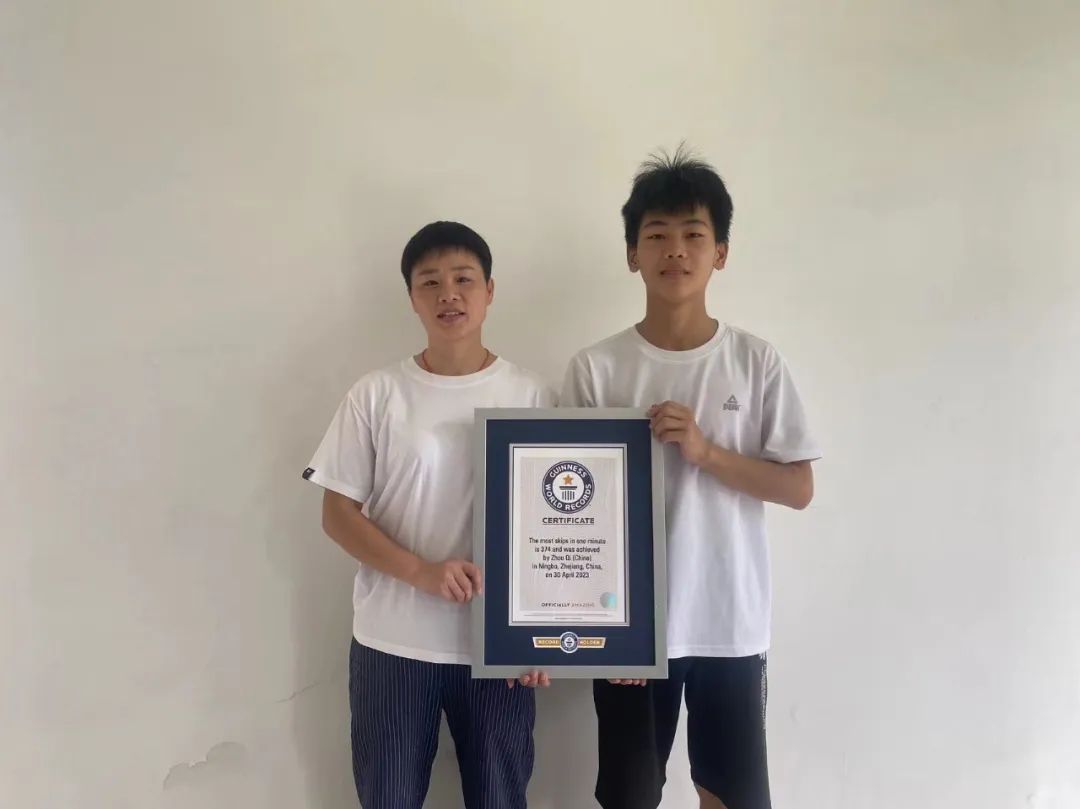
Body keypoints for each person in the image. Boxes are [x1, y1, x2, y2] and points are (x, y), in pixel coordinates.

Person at [561, 149, 821, 809]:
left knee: (733, 796)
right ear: (632, 253)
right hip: (630, 631)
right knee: (628, 797)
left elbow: (798, 487)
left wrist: (706, 451)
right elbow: (568, 515)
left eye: (693, 234)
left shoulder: (756, 361)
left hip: (729, 621)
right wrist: (605, 634)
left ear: (720, 253)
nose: (674, 249)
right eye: (656, 234)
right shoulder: (595, 369)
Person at [303, 221, 553, 809]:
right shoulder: (377, 393)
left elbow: (556, 527)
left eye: (464, 279)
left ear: (490, 291)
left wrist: (541, 635)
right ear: (412, 298)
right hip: (393, 642)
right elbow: (337, 513)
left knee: (500, 799)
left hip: (498, 650)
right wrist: (421, 572)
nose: (449, 295)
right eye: (430, 282)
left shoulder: (533, 395)